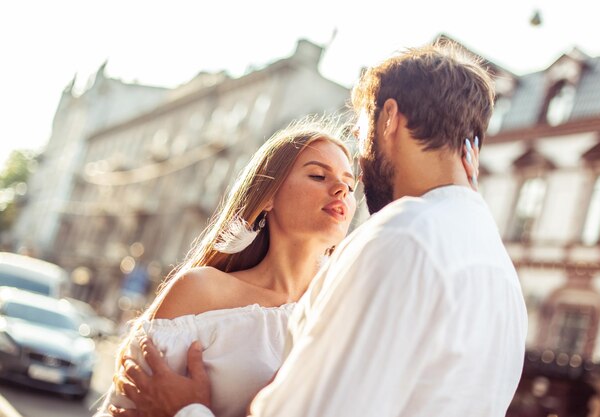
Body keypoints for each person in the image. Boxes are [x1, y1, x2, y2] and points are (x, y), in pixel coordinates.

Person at [114, 40, 509, 417]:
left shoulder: (401, 238)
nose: (347, 181)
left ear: (388, 119)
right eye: (318, 175)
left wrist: (185, 410)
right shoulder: (501, 277)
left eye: (360, 132)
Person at [95, 118, 360, 417]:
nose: (341, 189)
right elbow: (123, 409)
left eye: (350, 185)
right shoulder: (200, 293)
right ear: (269, 195)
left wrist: (186, 410)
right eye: (317, 176)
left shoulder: (348, 315)